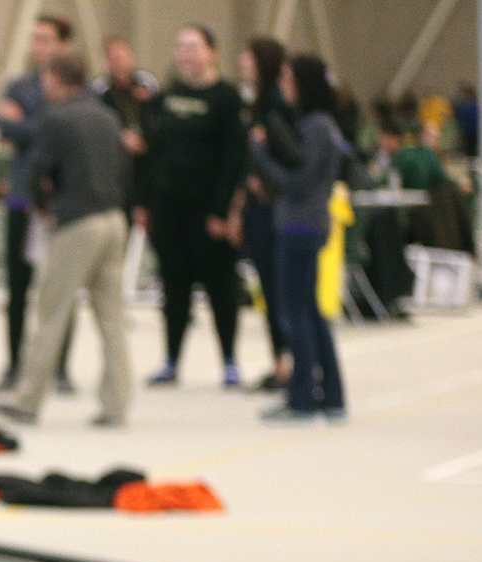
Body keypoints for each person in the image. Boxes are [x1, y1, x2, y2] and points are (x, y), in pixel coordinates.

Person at [0, 53, 132, 427]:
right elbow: (123, 167)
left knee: (51, 311)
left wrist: (41, 206)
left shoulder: (56, 119)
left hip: (77, 223)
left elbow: (39, 172)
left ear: (54, 80)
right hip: (114, 218)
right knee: (112, 318)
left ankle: (27, 399)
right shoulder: (108, 116)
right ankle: (117, 403)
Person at [138, 24, 246, 388]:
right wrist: (144, 203)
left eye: (195, 47)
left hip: (208, 210)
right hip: (169, 209)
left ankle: (229, 361)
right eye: (181, 47)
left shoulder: (227, 98)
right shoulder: (166, 98)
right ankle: (171, 360)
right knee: (174, 287)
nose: (187, 54)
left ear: (212, 53)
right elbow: (152, 154)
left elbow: (234, 158)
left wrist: (222, 210)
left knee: (220, 286)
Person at [250, 54, 348, 422]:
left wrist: (261, 154)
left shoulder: (316, 127)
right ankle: (331, 395)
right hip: (306, 225)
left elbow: (297, 181)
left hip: (299, 227)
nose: (284, 87)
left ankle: (302, 396)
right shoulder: (318, 125)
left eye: (289, 81)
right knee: (310, 312)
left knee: (295, 315)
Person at [0, 15, 76, 394]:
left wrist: (26, 125)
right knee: (17, 287)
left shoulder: (75, 88)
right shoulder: (19, 85)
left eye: (45, 39)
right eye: (34, 39)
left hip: (60, 203)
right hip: (22, 200)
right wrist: (31, 125)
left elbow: (61, 129)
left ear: (62, 45)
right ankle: (15, 365)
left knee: (62, 287)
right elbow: (3, 126)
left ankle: (59, 368)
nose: (37, 46)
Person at [237, 37, 294, 392]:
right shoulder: (258, 102)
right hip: (259, 206)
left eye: (248, 57)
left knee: (277, 289)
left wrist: (266, 178)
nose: (242, 63)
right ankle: (281, 363)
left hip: (272, 208)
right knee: (269, 290)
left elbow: (289, 155)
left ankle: (289, 365)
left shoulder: (275, 104)